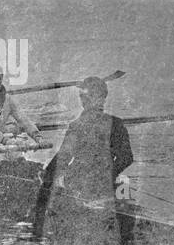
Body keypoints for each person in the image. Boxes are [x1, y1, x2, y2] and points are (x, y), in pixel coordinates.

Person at [41, 76, 133, 205]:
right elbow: (127, 158)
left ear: (101, 98)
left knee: (47, 190)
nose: (83, 101)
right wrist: (107, 175)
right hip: (104, 184)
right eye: (82, 97)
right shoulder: (117, 123)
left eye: (86, 97)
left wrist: (46, 176)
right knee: (124, 183)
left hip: (78, 183)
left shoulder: (77, 125)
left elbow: (63, 157)